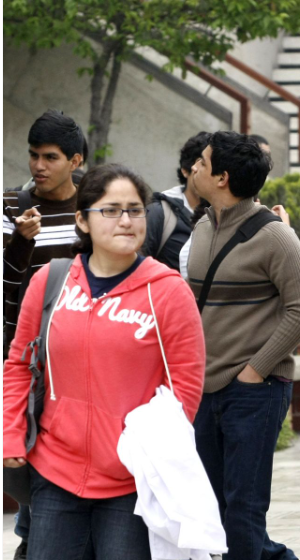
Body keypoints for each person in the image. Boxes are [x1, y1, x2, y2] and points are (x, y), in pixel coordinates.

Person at [3, 163, 206, 560]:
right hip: (55, 473)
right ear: (82, 220)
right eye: (110, 210)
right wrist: (10, 436)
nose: (126, 221)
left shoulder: (168, 292)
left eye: (135, 210)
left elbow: (185, 388)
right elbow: (18, 365)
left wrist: (148, 454)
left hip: (132, 481)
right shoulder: (50, 281)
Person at [188, 131, 300, 560]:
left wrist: (254, 370)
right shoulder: (202, 225)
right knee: (213, 506)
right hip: (204, 389)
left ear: (222, 178)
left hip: (254, 391)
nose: (193, 168)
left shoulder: (275, 236)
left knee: (243, 508)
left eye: (202, 162)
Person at [2, 110, 86, 560]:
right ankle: (33, 542)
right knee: (34, 462)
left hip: (83, 358)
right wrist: (20, 242)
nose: (38, 166)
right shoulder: (10, 206)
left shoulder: (94, 204)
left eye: (50, 157)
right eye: (33, 155)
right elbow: (5, 291)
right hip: (28, 361)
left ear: (75, 160)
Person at [142, 131, 209, 270]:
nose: (207, 176)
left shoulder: (225, 213)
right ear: (185, 170)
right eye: (201, 165)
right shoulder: (160, 211)